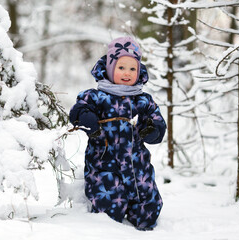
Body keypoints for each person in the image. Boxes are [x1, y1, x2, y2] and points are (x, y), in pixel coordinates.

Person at [69, 36, 166, 230]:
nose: (127, 73)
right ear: (111, 68)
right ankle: (110, 220)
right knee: (108, 214)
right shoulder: (96, 96)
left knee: (148, 214)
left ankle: (140, 213)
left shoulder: (143, 100)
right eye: (121, 68)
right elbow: (77, 111)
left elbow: (158, 123)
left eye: (132, 69)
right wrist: (87, 118)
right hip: (105, 166)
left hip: (138, 167)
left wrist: (152, 130)